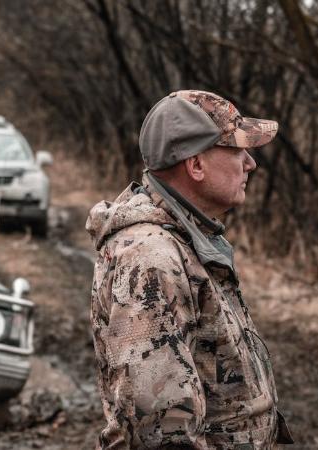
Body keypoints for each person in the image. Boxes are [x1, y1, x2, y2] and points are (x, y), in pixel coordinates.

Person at [86, 90, 293, 449]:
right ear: (195, 166)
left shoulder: (186, 239)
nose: (250, 164)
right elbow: (160, 432)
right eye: (236, 150)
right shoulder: (151, 259)